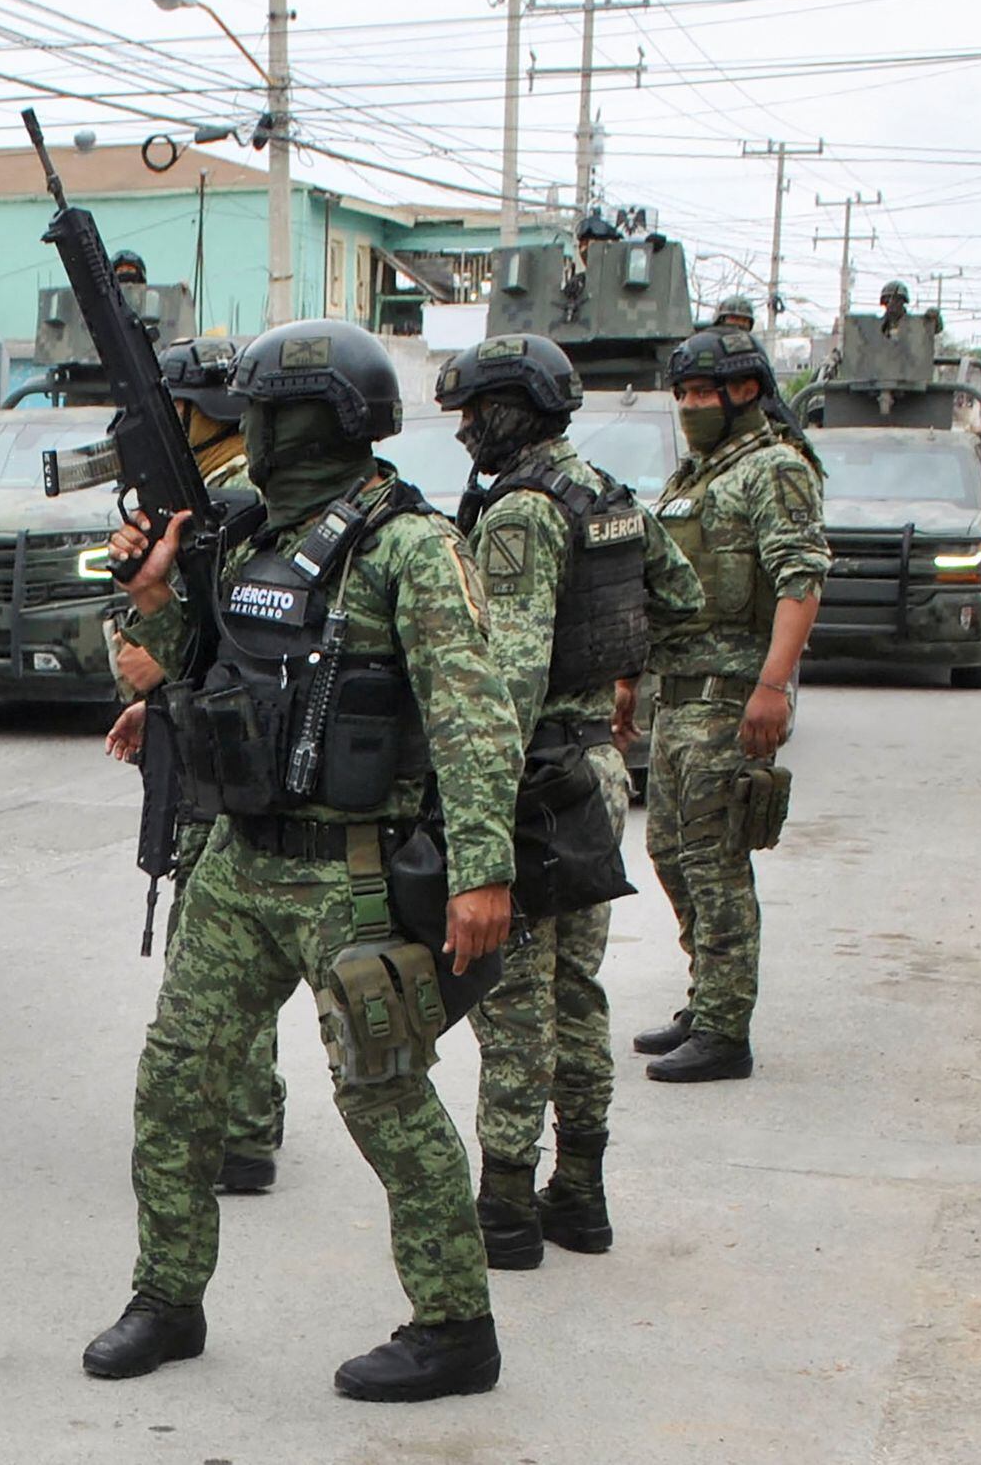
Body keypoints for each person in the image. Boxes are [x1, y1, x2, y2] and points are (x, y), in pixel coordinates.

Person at [82, 319, 524, 1401]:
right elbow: (196, 669)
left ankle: (456, 1326)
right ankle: (166, 1298)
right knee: (178, 1083)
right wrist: (155, 596)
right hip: (241, 864)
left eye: (264, 412)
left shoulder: (410, 548)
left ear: (311, 420)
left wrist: (482, 870)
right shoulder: (236, 537)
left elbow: (476, 718)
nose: (249, 430)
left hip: (355, 872)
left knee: (383, 1099)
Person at [436, 333, 702, 1267]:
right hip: (594, 772)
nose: (465, 430)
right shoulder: (610, 496)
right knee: (576, 995)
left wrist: (473, 818)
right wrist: (619, 686)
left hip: (534, 779)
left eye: (474, 412)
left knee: (513, 1000)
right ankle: (581, 1194)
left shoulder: (520, 513)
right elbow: (680, 597)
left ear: (512, 411)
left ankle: (506, 1209)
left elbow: (505, 684)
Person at [104, 334, 288, 1195]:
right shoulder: (216, 492)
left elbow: (243, 637)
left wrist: (161, 661)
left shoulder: (240, 494)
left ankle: (244, 1127)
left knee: (222, 946)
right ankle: (245, 1118)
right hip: (209, 725)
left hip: (233, 742)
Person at [625, 328, 830, 1082]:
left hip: (729, 697)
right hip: (677, 697)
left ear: (745, 393)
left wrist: (771, 687)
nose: (689, 406)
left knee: (715, 863)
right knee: (670, 853)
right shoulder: (697, 476)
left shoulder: (774, 470)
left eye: (703, 394)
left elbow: (800, 580)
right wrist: (630, 684)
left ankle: (725, 1027)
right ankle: (706, 994)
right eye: (681, 394)